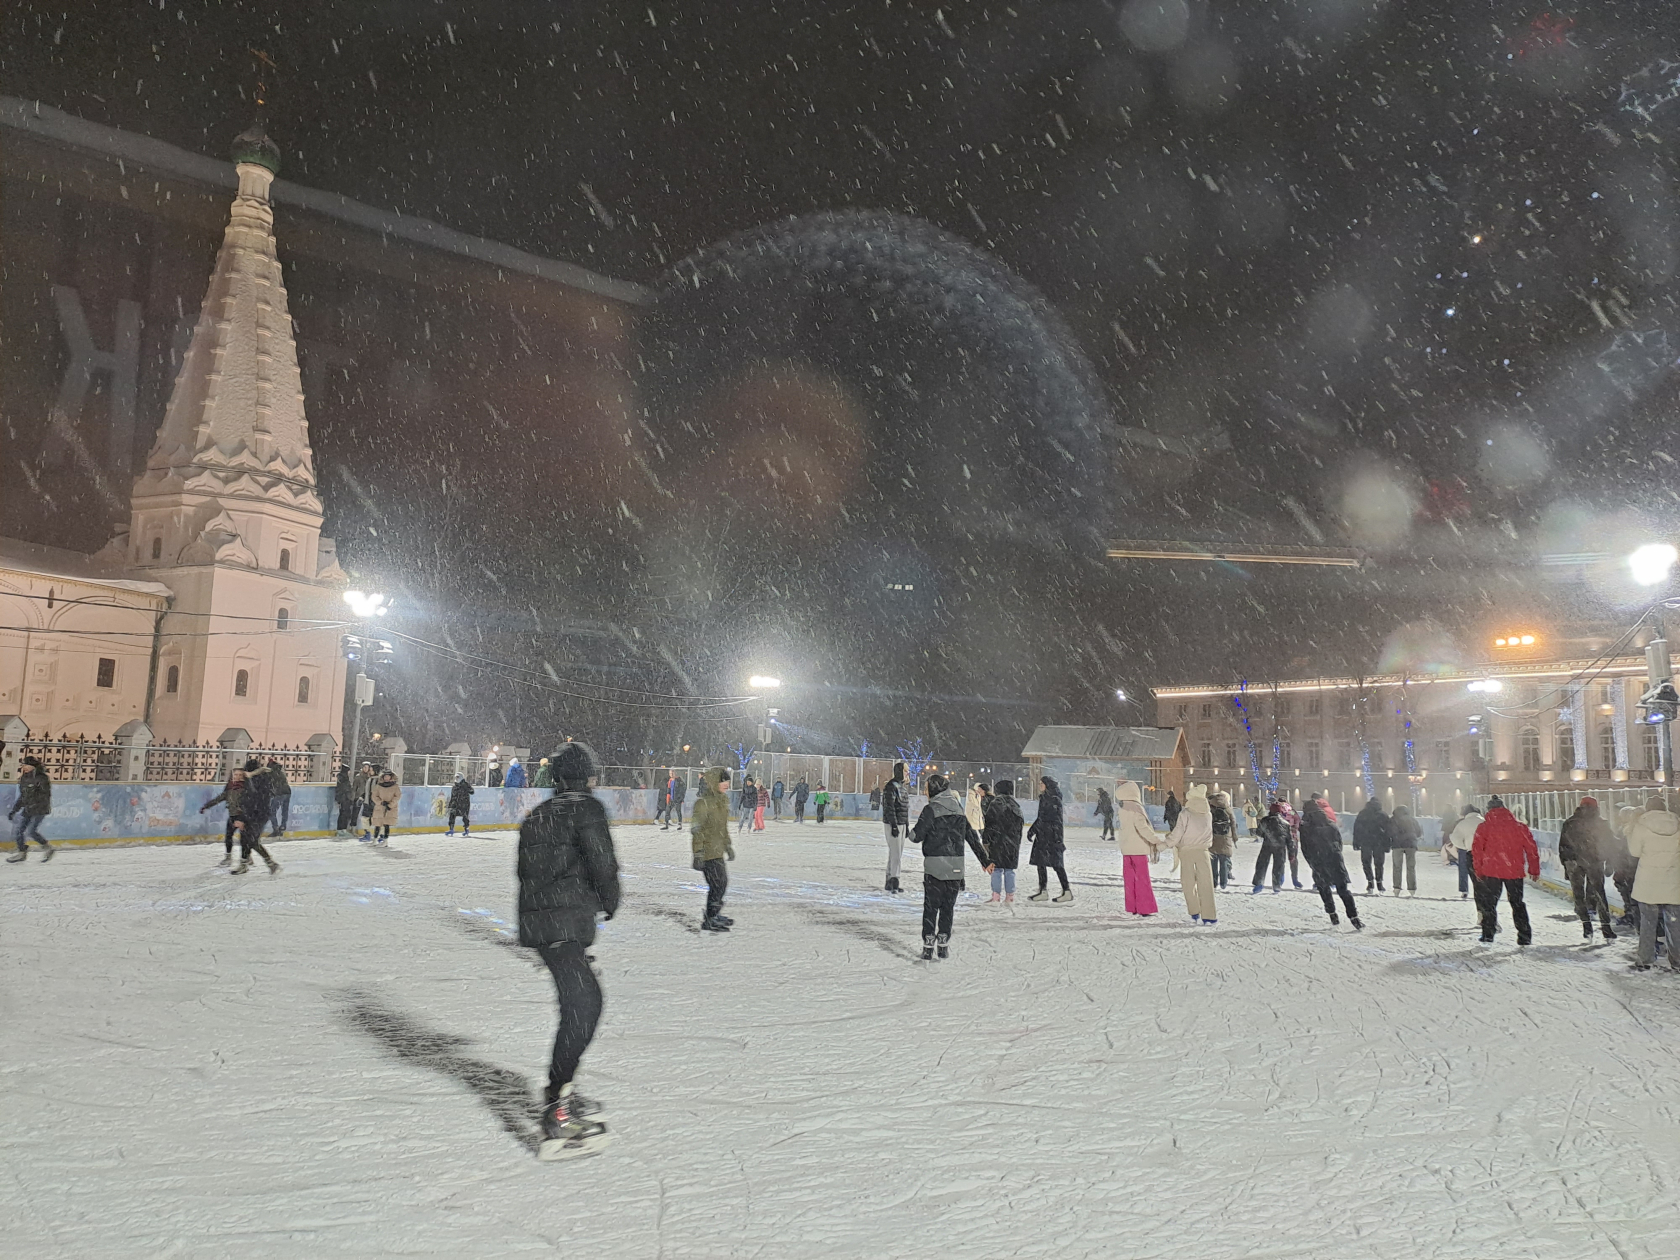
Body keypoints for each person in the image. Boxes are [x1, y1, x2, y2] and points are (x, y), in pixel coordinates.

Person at [517, 740, 620, 1160]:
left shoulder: (538, 815)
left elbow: (525, 872)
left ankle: (558, 1094)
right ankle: (556, 1110)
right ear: (587, 776)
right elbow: (602, 862)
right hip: (563, 924)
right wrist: (608, 900)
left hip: (542, 923)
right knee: (585, 1004)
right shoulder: (587, 808)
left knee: (581, 1002)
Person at [910, 773, 992, 959]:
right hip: (955, 869)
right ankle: (943, 942)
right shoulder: (958, 809)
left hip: (934, 867)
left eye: (926, 787)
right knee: (948, 907)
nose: (924, 791)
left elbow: (917, 836)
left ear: (933, 789)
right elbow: (972, 837)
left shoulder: (931, 809)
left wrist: (912, 833)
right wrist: (985, 861)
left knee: (931, 907)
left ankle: (929, 942)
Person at [1471, 795, 1540, 946]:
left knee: (1489, 904)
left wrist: (1478, 870)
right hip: (1514, 871)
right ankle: (1524, 935)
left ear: (1489, 810)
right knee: (1517, 903)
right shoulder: (1519, 827)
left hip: (1491, 871)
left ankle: (1488, 934)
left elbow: (1477, 851)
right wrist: (1534, 868)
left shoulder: (1484, 828)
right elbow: (1531, 848)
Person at [1626, 795, 1680, 972]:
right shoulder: (1677, 823)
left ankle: (1645, 959)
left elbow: (1634, 851)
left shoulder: (1641, 825)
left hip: (1648, 883)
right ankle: (1677, 961)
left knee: (1648, 922)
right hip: (1673, 881)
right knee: (1674, 924)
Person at [1557, 797, 1616, 942]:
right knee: (1599, 893)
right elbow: (1610, 845)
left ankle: (1586, 926)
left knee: (1578, 895)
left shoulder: (1570, 823)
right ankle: (1606, 927)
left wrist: (1566, 864)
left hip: (1574, 862)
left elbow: (1563, 846)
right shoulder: (1601, 823)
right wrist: (1609, 863)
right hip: (1594, 861)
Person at [1300, 799, 1361, 928]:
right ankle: (1354, 917)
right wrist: (1336, 855)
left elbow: (1305, 848)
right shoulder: (1331, 824)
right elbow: (1339, 843)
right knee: (1343, 889)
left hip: (1318, 860)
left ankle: (1332, 914)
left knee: (1324, 888)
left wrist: (1313, 863)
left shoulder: (1306, 827)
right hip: (1335, 859)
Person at [1164, 782, 1217, 924]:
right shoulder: (1208, 814)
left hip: (1186, 851)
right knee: (1206, 883)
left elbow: (1178, 833)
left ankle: (1194, 911)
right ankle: (1209, 915)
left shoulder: (1185, 813)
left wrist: (1166, 843)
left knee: (1188, 883)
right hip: (1203, 852)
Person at [690, 767, 735, 932]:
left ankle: (714, 914)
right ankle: (710, 919)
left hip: (717, 850)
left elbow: (722, 828)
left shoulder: (722, 802)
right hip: (707, 851)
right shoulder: (703, 803)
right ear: (714, 783)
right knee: (718, 884)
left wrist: (727, 845)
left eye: (727, 780)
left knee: (721, 883)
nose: (726, 784)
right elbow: (697, 830)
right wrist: (698, 853)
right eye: (723, 781)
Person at [230, 758, 281, 874]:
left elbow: (252, 798)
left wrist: (251, 777)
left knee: (252, 840)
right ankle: (247, 863)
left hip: (258, 814)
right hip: (254, 813)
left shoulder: (258, 780)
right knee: (245, 838)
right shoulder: (253, 781)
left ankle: (270, 863)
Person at [1115, 780, 1159, 914]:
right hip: (1138, 850)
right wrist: (1156, 841)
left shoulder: (1123, 809)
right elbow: (1143, 829)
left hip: (1126, 849)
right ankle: (1145, 907)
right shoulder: (1136, 809)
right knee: (1142, 879)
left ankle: (1132, 906)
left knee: (1130, 880)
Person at [1027, 775, 1071, 902]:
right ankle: (1043, 890)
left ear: (1047, 785)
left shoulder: (1054, 799)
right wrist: (1033, 830)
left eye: (1041, 783)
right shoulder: (1046, 798)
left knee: (1057, 864)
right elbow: (1042, 817)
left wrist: (1057, 839)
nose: (1039, 785)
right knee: (1040, 863)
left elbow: (1054, 820)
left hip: (1051, 836)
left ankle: (1066, 890)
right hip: (1043, 835)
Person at [981, 779, 1024, 904]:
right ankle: (1010, 895)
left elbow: (989, 824)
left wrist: (986, 840)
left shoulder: (995, 804)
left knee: (997, 869)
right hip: (1012, 842)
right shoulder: (1016, 805)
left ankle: (996, 895)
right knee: (1009, 870)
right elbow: (1019, 825)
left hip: (998, 842)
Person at [6, 756, 53, 863]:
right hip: (28, 808)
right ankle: (22, 853)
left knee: (31, 831)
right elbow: (23, 796)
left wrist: (36, 804)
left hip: (40, 808)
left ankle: (48, 848)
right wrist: (15, 810)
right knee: (19, 831)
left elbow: (45, 795)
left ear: (32, 766)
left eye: (25, 765)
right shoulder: (24, 778)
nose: (23, 767)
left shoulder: (42, 778)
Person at [201, 764, 250, 865]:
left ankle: (247, 857)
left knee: (244, 839)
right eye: (235, 775)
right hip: (232, 816)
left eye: (240, 775)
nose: (237, 777)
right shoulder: (230, 789)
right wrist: (206, 806)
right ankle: (228, 857)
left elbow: (250, 804)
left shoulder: (247, 789)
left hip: (243, 817)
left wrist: (243, 815)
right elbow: (219, 799)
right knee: (228, 837)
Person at [1609, 805, 1642, 929]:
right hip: (1629, 866)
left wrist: (1620, 865)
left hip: (1628, 867)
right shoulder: (1627, 829)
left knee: (1629, 891)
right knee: (1628, 890)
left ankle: (1632, 916)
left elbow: (1622, 850)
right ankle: (1632, 915)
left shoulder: (1628, 830)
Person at [1352, 798, 1392, 892]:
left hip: (1366, 841)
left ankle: (1370, 883)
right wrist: (1387, 844)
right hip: (1379, 842)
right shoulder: (1383, 815)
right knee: (1379, 864)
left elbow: (1357, 829)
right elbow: (1388, 831)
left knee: (1366, 863)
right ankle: (1379, 883)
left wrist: (1356, 842)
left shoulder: (1363, 814)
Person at [881, 762, 910, 892]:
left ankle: (890, 879)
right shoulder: (891, 787)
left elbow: (905, 808)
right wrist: (893, 825)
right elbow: (889, 807)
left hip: (901, 823)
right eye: (905, 771)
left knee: (896, 853)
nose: (907, 773)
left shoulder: (902, 787)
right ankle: (894, 879)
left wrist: (906, 824)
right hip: (894, 823)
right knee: (896, 853)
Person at [1252, 802, 1291, 894]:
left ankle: (1259, 884)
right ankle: (1277, 885)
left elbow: (1259, 833)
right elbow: (1289, 839)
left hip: (1267, 845)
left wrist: (1267, 835)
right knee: (1278, 865)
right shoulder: (1285, 823)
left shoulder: (1265, 820)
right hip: (1280, 847)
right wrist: (1291, 852)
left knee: (1262, 864)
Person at [1446, 805, 1481, 900]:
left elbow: (1455, 837)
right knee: (1480, 871)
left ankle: (1464, 890)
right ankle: (1480, 889)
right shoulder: (1484, 821)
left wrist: (1463, 846)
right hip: (1482, 851)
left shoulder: (1463, 823)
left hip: (1465, 850)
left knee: (1463, 870)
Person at [1389, 804, 1421, 895]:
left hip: (1397, 845)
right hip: (1411, 845)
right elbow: (1418, 833)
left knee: (1397, 867)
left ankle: (1396, 888)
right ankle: (1412, 889)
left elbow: (1391, 832)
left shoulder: (1393, 819)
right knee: (1410, 867)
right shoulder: (1412, 820)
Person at [1208, 791, 1237, 889]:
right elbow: (1233, 824)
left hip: (1213, 838)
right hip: (1225, 839)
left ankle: (1214, 882)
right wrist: (1234, 837)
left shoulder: (1211, 810)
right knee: (1224, 861)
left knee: (1213, 862)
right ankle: (1223, 883)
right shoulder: (1228, 810)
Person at [1275, 797, 1304, 888]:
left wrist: (1295, 827)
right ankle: (1285, 879)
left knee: (1287, 858)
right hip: (1287, 837)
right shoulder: (1282, 811)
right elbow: (1296, 819)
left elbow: (1296, 819)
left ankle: (1289, 879)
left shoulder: (1288, 811)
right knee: (1288, 859)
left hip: (1287, 837)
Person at [369, 768, 401, 844]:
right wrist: (380, 802)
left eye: (388, 776)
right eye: (385, 776)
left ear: (391, 777)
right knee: (377, 824)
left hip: (390, 808)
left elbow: (397, 796)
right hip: (380, 807)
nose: (386, 778)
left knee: (387, 824)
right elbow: (374, 796)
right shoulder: (378, 786)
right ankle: (375, 839)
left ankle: (385, 841)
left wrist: (390, 805)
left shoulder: (395, 787)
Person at [265, 757, 292, 837]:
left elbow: (269, 784)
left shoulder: (271, 772)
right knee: (284, 811)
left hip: (279, 793)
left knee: (271, 811)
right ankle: (282, 827)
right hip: (287, 791)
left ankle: (276, 829)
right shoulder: (280, 770)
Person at [333, 765, 358, 836]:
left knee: (345, 814)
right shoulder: (343, 779)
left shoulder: (343, 779)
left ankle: (342, 829)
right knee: (343, 815)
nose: (350, 773)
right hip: (344, 799)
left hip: (345, 799)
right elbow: (344, 789)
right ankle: (341, 830)